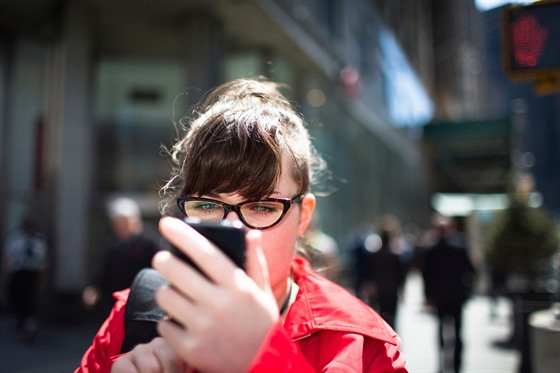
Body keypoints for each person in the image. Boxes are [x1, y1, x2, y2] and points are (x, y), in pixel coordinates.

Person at [76, 78, 408, 372]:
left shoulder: (360, 345)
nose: (235, 227)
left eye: (263, 206)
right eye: (207, 205)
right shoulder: (134, 317)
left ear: (303, 216)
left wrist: (265, 359)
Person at [82, 197, 160, 317]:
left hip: (141, 302)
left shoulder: (150, 242)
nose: (118, 227)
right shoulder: (114, 243)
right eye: (115, 223)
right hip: (116, 302)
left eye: (122, 223)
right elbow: (105, 269)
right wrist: (95, 288)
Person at [422, 214, 475, 373]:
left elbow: (426, 276)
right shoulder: (458, 248)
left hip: (442, 297)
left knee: (444, 332)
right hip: (455, 296)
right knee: (456, 332)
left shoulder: (432, 250)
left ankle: (444, 364)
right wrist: (467, 290)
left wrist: (428, 296)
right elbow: (472, 271)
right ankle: (455, 366)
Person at [2, 217, 48, 344]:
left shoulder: (16, 239)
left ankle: (23, 323)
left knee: (18, 299)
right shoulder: (38, 240)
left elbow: (8, 257)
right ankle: (29, 323)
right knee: (29, 300)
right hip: (33, 273)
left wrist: (8, 272)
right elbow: (43, 262)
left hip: (19, 272)